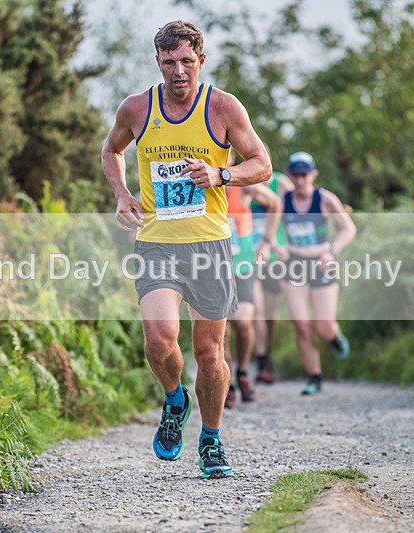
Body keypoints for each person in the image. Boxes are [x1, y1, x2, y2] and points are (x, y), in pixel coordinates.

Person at [101, 20, 271, 479]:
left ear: (201, 60)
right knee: (159, 339)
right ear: (158, 62)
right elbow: (112, 150)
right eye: (169, 62)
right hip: (156, 242)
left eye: (186, 62)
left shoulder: (222, 107)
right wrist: (122, 194)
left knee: (210, 353)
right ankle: (175, 398)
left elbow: (263, 165)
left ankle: (211, 439)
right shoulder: (137, 109)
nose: (178, 71)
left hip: (209, 244)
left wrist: (222, 175)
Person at [279, 151, 356, 395]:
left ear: (313, 174)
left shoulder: (325, 199)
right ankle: (314, 376)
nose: (300, 180)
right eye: (296, 175)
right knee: (302, 326)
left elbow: (348, 228)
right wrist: (277, 248)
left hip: (322, 263)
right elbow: (271, 232)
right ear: (290, 176)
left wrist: (331, 252)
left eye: (304, 174)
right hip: (294, 264)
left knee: (323, 328)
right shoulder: (282, 200)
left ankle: (334, 337)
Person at [223, 178, 282, 408]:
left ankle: (244, 372)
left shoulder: (243, 187)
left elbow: (275, 203)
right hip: (211, 269)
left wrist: (267, 242)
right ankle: (226, 383)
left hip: (243, 267)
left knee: (243, 322)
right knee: (221, 332)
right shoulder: (198, 185)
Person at [250, 167, 294, 384]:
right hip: (251, 255)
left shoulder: (281, 183)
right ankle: (262, 361)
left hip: (275, 258)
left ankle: (266, 351)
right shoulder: (244, 186)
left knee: (270, 312)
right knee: (257, 308)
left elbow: (295, 210)